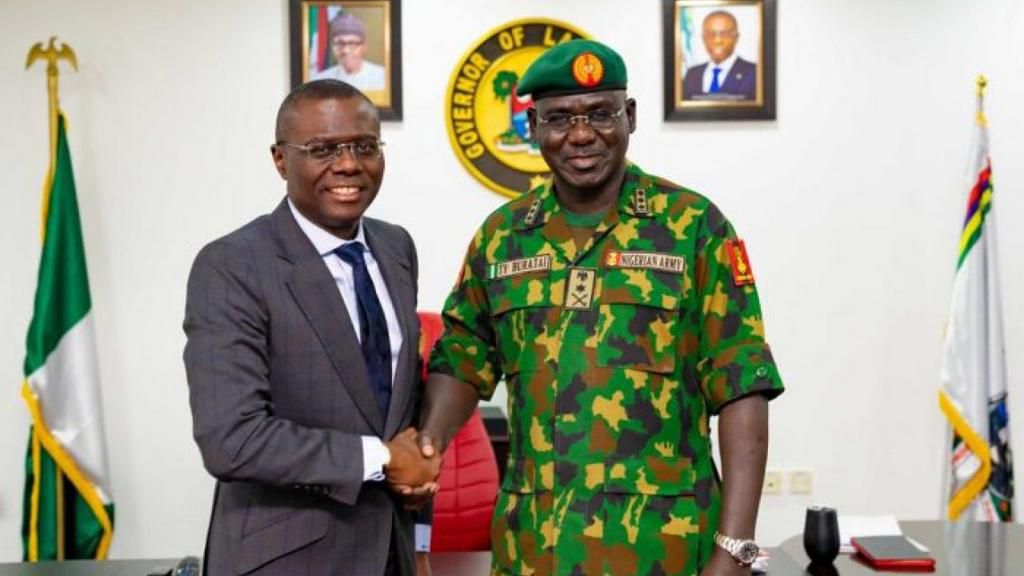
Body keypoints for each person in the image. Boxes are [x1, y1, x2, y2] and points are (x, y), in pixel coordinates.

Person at [418, 39, 784, 575]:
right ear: (533, 126)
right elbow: (463, 358)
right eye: (559, 117)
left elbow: (741, 386)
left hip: (667, 550)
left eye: (600, 114)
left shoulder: (693, 226)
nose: (581, 134)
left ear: (629, 117)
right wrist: (423, 449)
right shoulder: (502, 238)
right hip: (534, 551)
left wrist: (738, 552)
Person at [184, 79, 437, 576]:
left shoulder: (395, 248)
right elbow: (231, 438)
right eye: (321, 149)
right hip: (288, 560)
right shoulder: (232, 266)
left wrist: (420, 540)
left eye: (364, 146)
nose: (348, 165)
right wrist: (383, 458)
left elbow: (396, 407)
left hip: (393, 554)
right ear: (280, 160)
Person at [683, 11, 757, 101]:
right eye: (710, 34)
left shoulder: (755, 73)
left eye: (724, 34)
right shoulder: (692, 74)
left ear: (736, 37)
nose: (717, 40)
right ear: (703, 38)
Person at [312, 12, 386, 92]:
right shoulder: (320, 80)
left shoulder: (384, 77)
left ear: (364, 47)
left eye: (352, 43)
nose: (345, 50)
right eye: (340, 43)